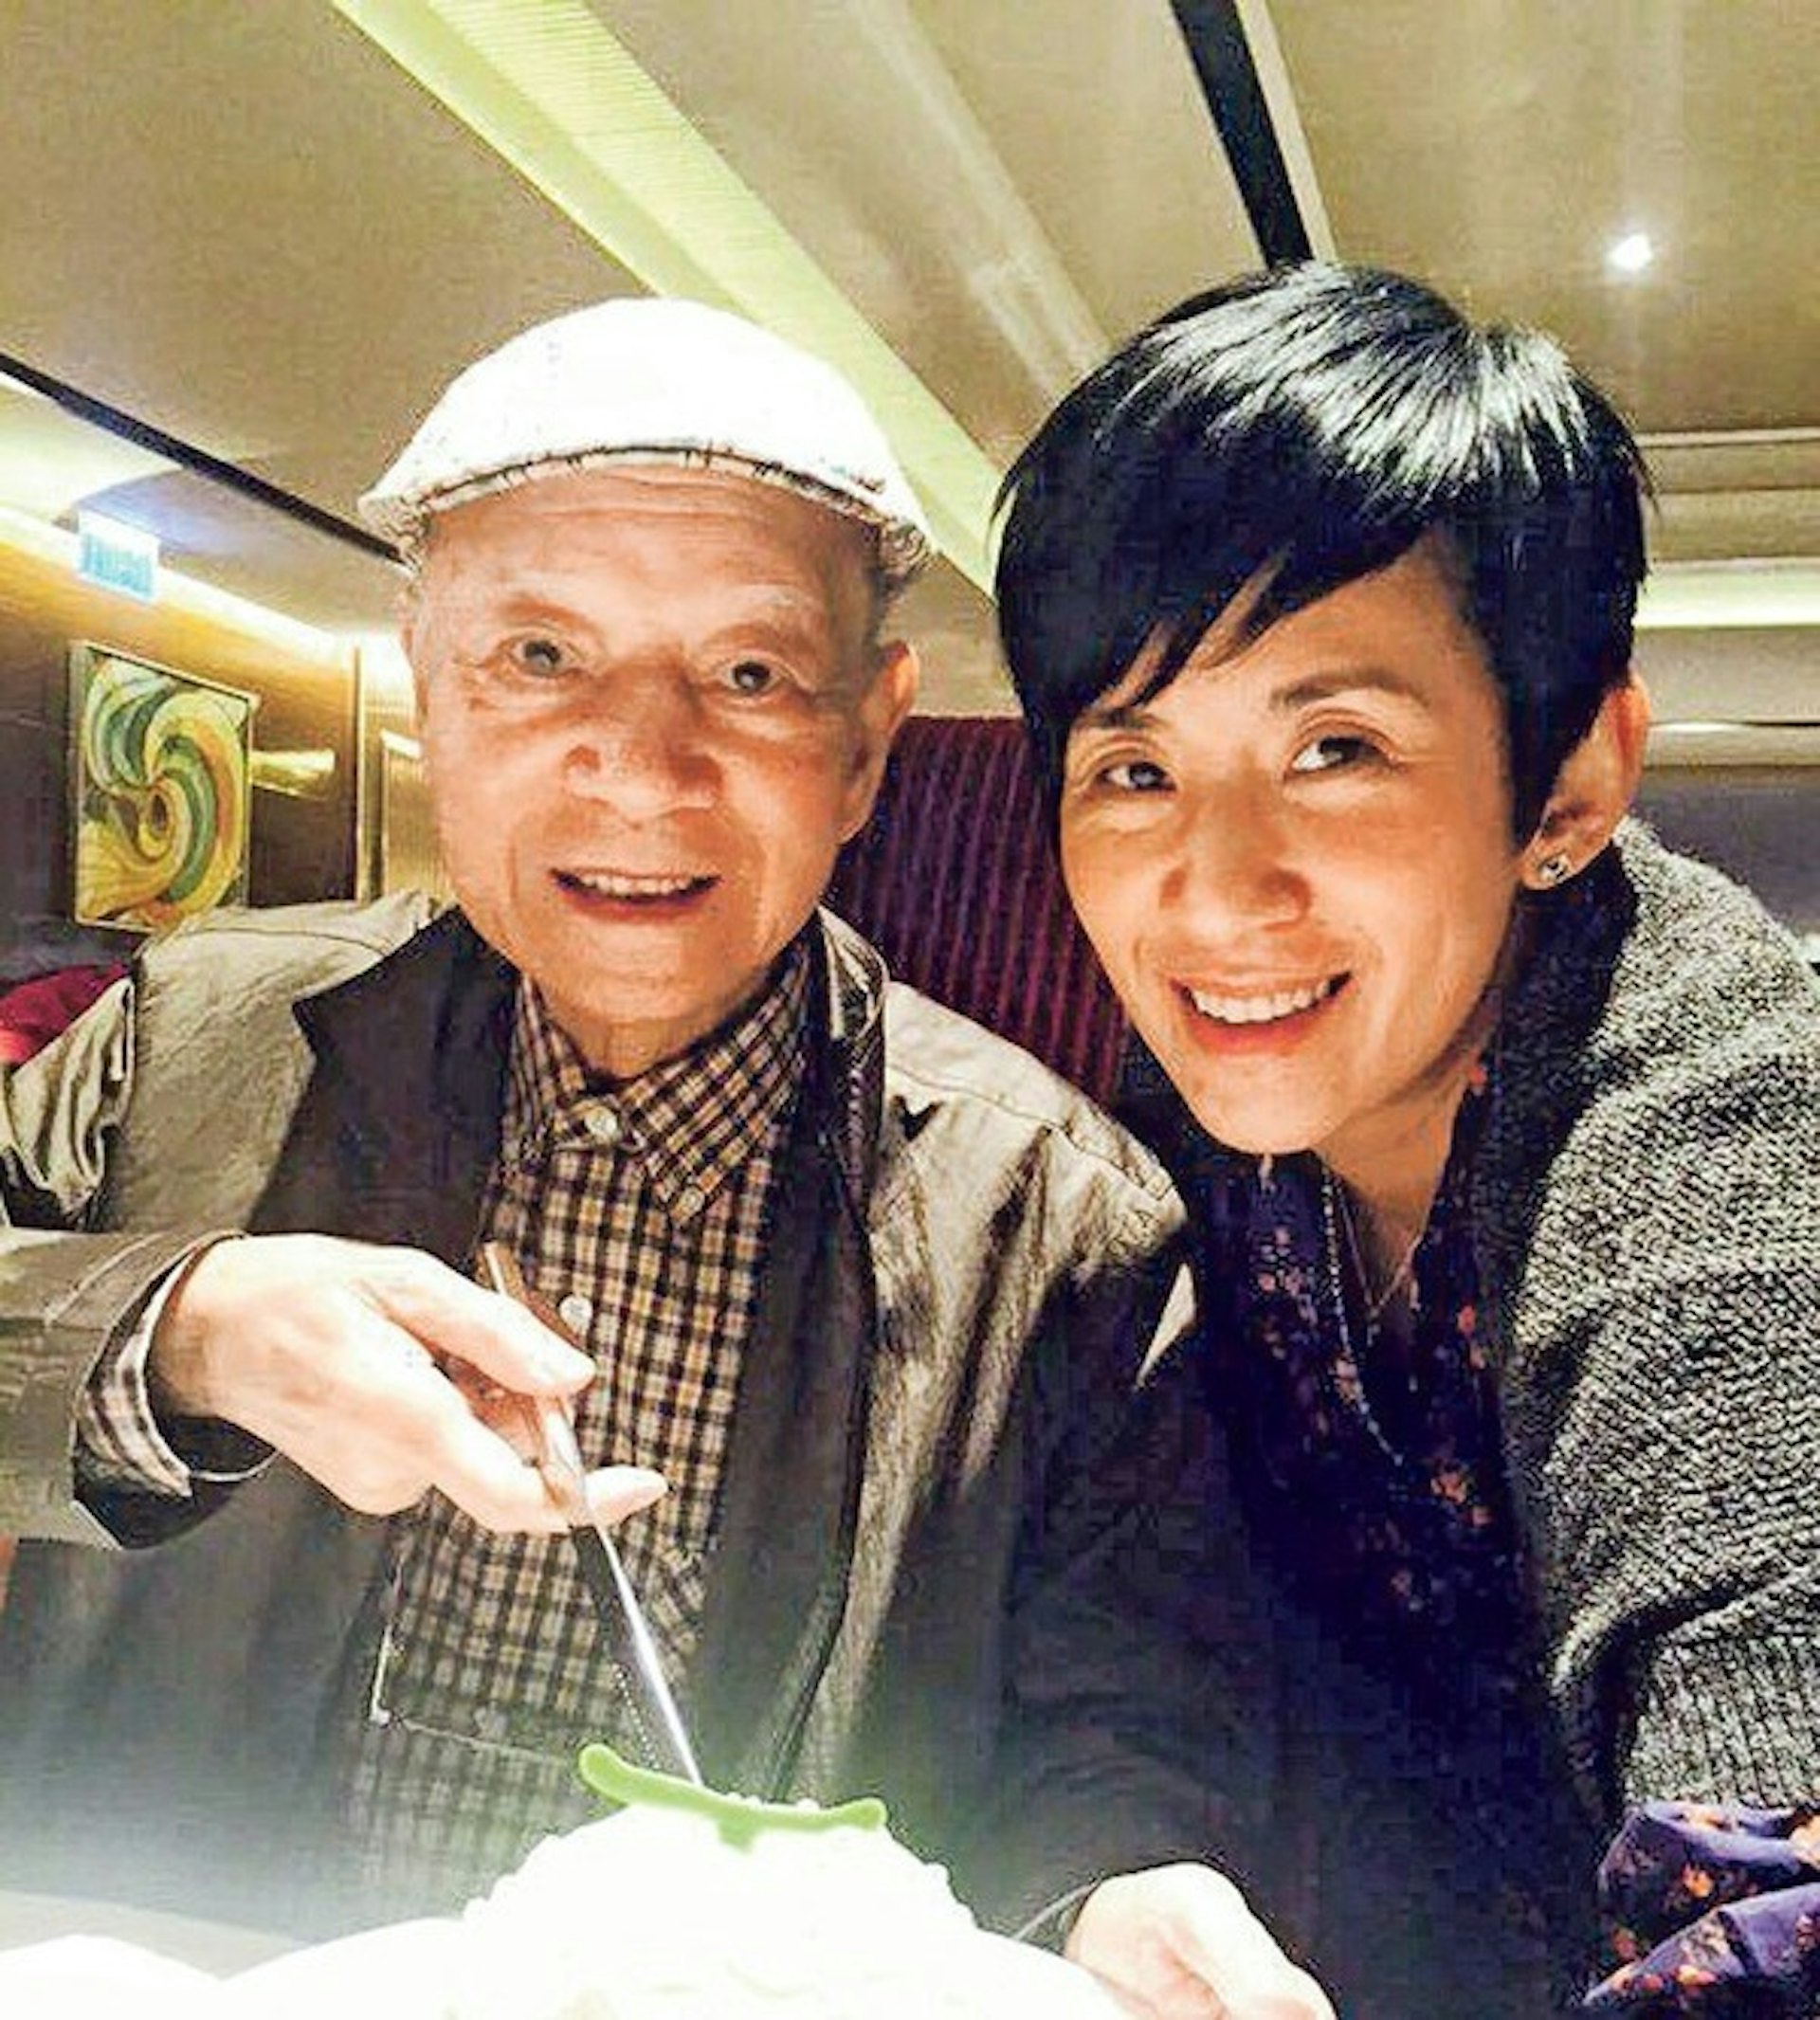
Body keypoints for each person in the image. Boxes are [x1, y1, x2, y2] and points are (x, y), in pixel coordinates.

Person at [0, 298, 1332, 2019]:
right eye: (538, 657)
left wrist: (1117, 1892)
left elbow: (1119, 1724)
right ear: (428, 684)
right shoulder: (191, 1036)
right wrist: (172, 1332)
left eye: (750, 675)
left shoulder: (1065, 1221)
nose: (640, 771)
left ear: (869, 741)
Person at [992, 263, 1820, 2014]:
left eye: (1337, 748)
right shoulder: (1202, 1108)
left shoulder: (1717, 1131)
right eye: (1135, 769)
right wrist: (1109, 1865)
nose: (1217, 893)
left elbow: (1774, 1834)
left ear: (1572, 781)